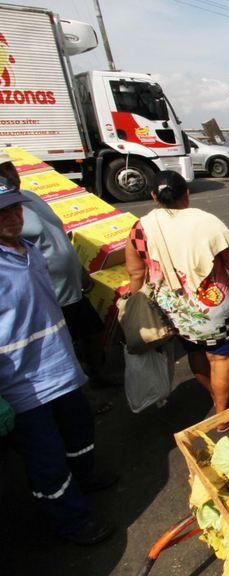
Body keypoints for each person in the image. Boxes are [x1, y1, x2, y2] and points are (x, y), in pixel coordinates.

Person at [0, 176, 116, 545]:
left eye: (15, 207)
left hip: (61, 370)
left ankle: (85, 477)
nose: (12, 217)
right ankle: (72, 521)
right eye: (2, 213)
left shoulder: (28, 251)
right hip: (22, 385)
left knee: (79, 432)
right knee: (46, 457)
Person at [125, 171, 229, 429]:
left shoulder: (141, 228)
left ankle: (214, 393)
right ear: (186, 193)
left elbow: (135, 273)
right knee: (220, 358)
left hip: (176, 310)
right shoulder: (205, 222)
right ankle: (223, 414)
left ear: (154, 196)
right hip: (212, 308)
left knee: (195, 351)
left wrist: (136, 304)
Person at [0, 151, 109, 384]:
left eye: (11, 168)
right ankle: (84, 387)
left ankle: (97, 377)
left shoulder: (30, 197)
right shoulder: (5, 216)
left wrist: (81, 271)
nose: (10, 175)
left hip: (71, 287)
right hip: (51, 294)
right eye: (3, 171)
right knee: (67, 344)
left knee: (92, 334)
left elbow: (57, 235)